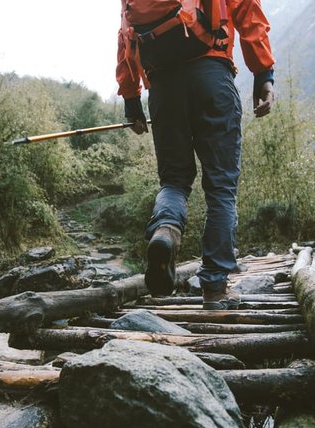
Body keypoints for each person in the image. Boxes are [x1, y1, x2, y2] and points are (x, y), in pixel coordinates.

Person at [116, 0, 275, 310]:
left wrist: (132, 98)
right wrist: (263, 73)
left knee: (174, 181)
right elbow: (247, 10)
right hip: (211, 75)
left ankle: (166, 229)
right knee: (221, 188)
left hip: (162, 86)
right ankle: (215, 289)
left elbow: (125, 33)